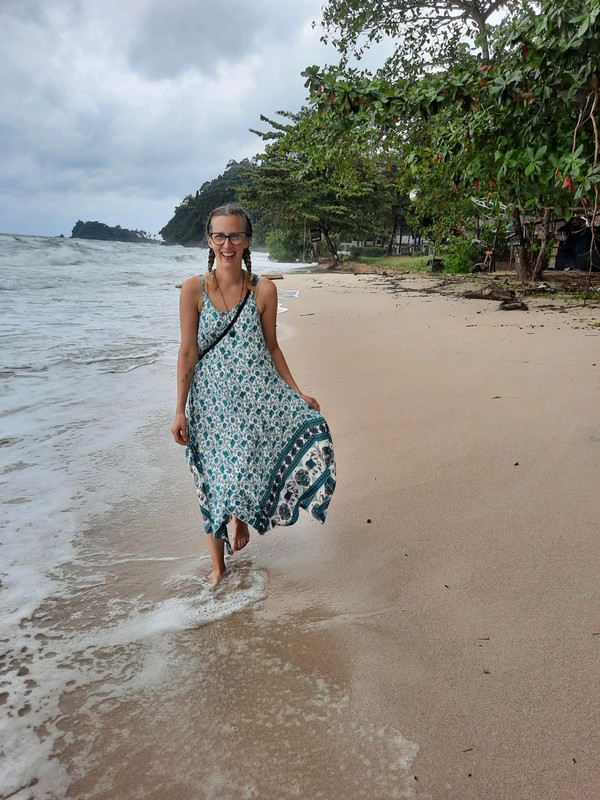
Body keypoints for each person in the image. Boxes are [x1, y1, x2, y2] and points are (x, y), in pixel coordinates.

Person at [171, 204, 336, 585]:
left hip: (253, 399)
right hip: (209, 402)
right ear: (209, 240)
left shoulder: (264, 289)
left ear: (247, 241)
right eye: (219, 236)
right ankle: (218, 566)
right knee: (210, 480)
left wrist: (297, 393)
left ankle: (240, 517)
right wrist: (179, 410)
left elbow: (273, 347)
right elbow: (187, 352)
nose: (227, 244)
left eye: (235, 236)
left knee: (241, 466)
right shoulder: (193, 289)